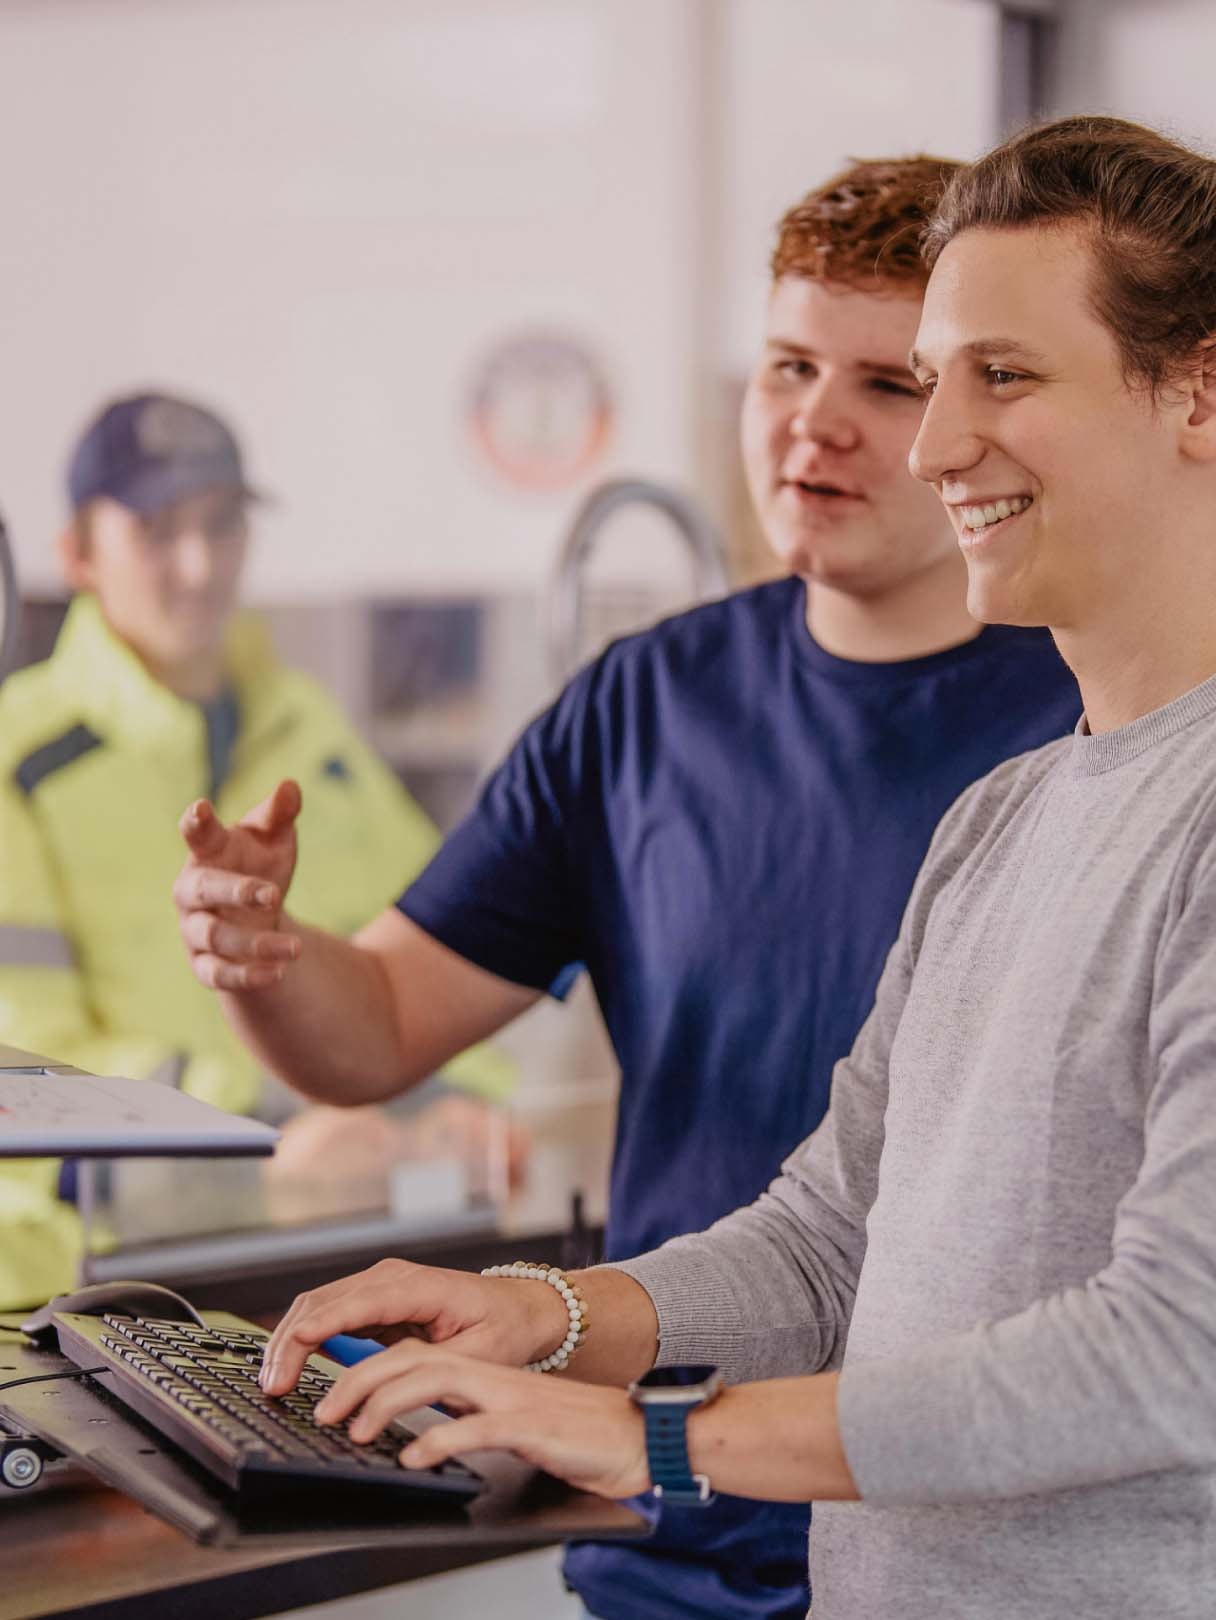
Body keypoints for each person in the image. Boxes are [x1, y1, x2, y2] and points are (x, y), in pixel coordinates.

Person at [248, 118, 1216, 1620]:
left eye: (1000, 376)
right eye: (933, 379)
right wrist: (538, 1314)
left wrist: (655, 1436)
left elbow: (1182, 1356)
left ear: (1207, 390)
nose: (936, 444)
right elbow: (827, 1247)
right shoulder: (1006, 817)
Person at [172, 158, 1082, 1620]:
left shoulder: (1088, 718)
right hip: (671, 1522)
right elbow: (383, 1025)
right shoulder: (649, 703)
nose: (816, 423)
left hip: (950, 1539)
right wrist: (268, 958)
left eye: (888, 384)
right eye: (787, 365)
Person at [0, 392, 513, 1311]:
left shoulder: (312, 729)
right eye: (157, 530)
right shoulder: (14, 757)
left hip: (334, 1248)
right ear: (78, 552)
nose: (199, 566)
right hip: (94, 1289)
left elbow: (446, 941)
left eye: (223, 524)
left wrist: (456, 1106)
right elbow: (26, 1074)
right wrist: (265, 1135)